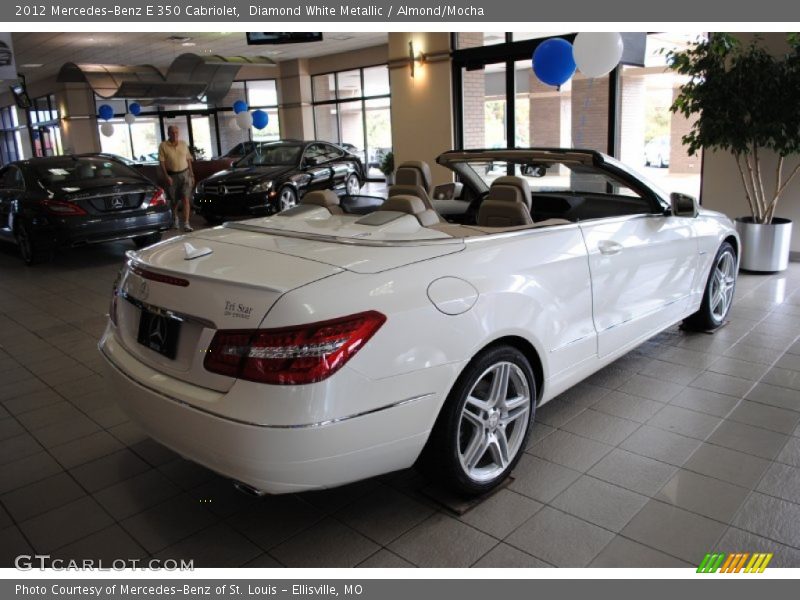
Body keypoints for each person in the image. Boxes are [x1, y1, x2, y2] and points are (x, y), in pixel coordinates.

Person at [158, 125, 195, 232]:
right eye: (172, 133)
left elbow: (188, 159)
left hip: (185, 174)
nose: (175, 135)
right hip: (171, 176)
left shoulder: (183, 144)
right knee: (174, 201)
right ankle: (175, 219)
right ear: (168, 133)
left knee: (185, 198)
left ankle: (187, 223)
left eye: (176, 133)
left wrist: (192, 174)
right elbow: (162, 162)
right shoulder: (163, 146)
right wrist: (166, 176)